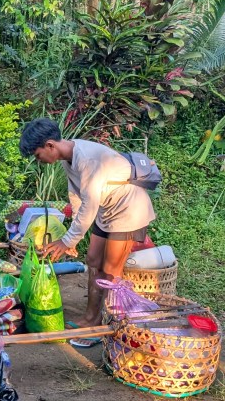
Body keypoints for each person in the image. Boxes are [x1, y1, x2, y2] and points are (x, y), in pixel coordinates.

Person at [19, 118, 156, 346]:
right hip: (106, 210)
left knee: (111, 269)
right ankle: (91, 318)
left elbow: (90, 203)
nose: (39, 160)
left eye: (38, 154)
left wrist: (68, 240)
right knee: (93, 260)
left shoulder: (88, 159)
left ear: (50, 145)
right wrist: (70, 238)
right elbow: (78, 198)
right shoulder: (67, 158)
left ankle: (106, 327)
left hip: (128, 210)